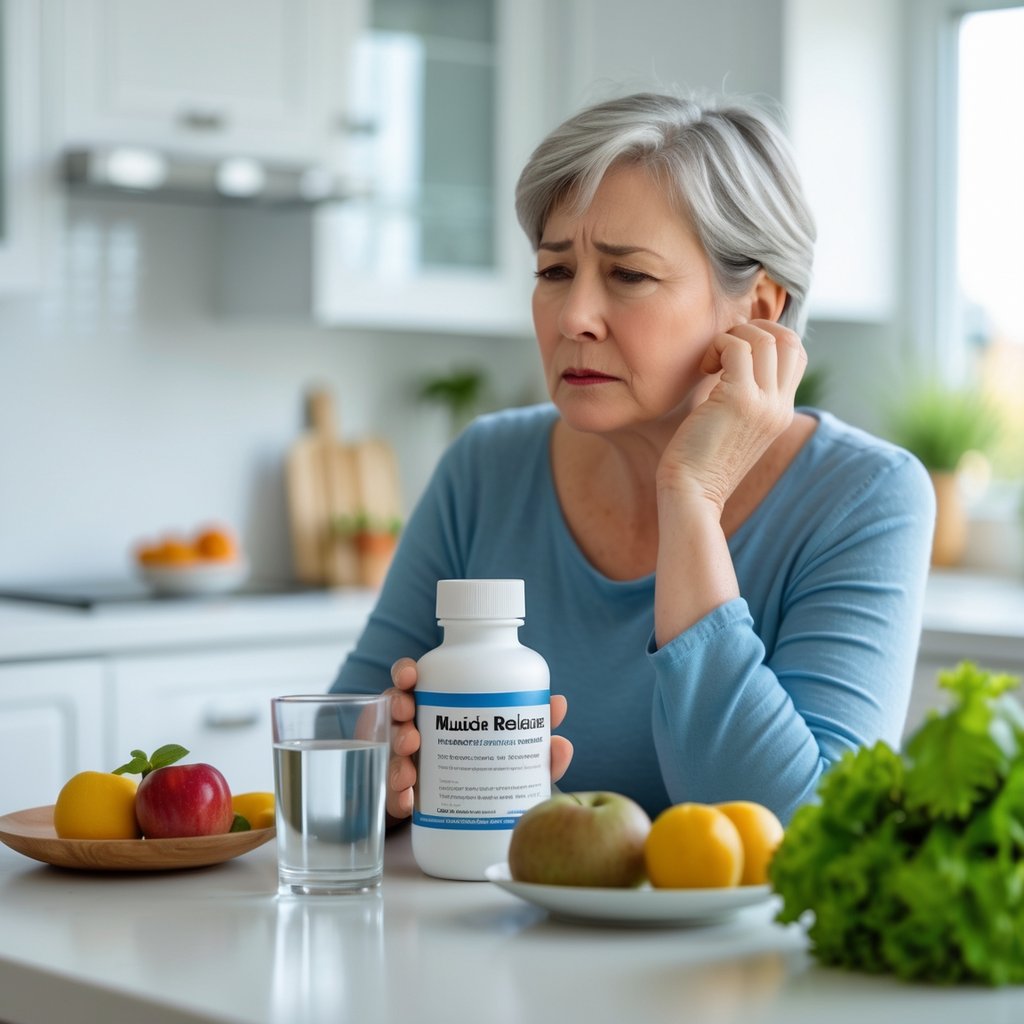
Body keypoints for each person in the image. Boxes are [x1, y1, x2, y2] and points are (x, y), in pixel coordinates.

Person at [331, 91, 935, 826]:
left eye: (628, 275)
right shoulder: (487, 468)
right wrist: (383, 770)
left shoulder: (865, 495)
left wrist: (690, 495)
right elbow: (343, 745)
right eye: (555, 272)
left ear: (760, 309)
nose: (576, 317)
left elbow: (805, 830)